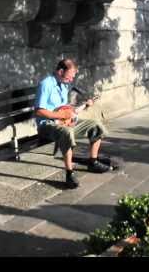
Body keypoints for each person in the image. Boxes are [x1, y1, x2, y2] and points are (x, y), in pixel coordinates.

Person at [34, 58, 110, 188]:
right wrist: (60, 115)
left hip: (64, 122)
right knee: (67, 132)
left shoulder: (64, 85)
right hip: (47, 125)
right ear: (60, 71)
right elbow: (39, 111)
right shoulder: (46, 84)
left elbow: (66, 109)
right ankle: (69, 173)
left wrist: (85, 106)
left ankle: (93, 162)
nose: (70, 81)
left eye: (71, 78)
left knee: (96, 125)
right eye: (69, 77)